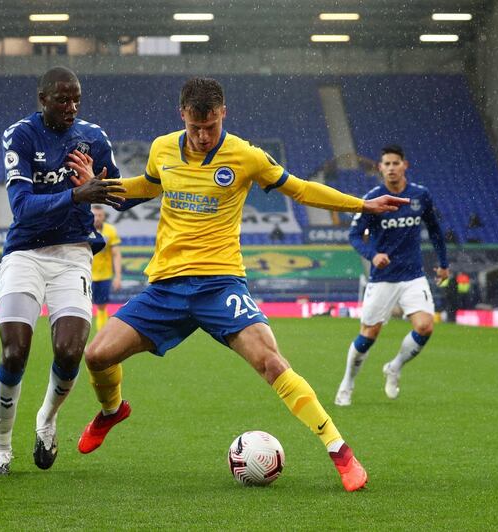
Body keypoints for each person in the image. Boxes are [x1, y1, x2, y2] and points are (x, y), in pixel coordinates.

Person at [66, 77, 408, 492]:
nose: (203, 136)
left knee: (272, 363)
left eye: (210, 127)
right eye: (195, 128)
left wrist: (362, 204)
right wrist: (99, 189)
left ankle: (341, 452)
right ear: (183, 117)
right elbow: (148, 186)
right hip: (167, 287)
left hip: (220, 284)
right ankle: (111, 411)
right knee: (97, 355)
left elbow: (300, 189)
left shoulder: (245, 156)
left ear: (223, 113)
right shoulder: (162, 149)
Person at [0, 66, 126, 476]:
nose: (71, 107)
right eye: (62, 99)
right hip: (25, 253)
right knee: (14, 351)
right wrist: (76, 193)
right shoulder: (21, 135)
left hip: (73, 255)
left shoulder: (93, 137)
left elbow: (120, 196)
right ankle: (1, 446)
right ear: (43, 99)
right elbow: (22, 207)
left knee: (69, 350)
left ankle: (46, 420)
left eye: (76, 98)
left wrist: (115, 185)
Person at [334, 144, 449, 407]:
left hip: (413, 276)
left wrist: (443, 263)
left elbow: (435, 230)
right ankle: (347, 383)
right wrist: (373, 254)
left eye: (396, 163)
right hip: (382, 278)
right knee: (368, 335)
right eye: (386, 164)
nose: (391, 168)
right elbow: (354, 235)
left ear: (405, 165)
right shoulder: (373, 199)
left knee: (425, 326)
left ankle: (395, 366)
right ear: (380, 168)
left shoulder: (420, 196)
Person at [90, 205, 122, 331]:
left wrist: (118, 276)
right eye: (95, 215)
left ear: (104, 216)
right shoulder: (84, 229)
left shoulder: (110, 231)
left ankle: (99, 338)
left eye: (100, 215)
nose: (97, 218)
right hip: (86, 275)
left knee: (102, 307)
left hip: (104, 276)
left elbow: (116, 254)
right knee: (83, 307)